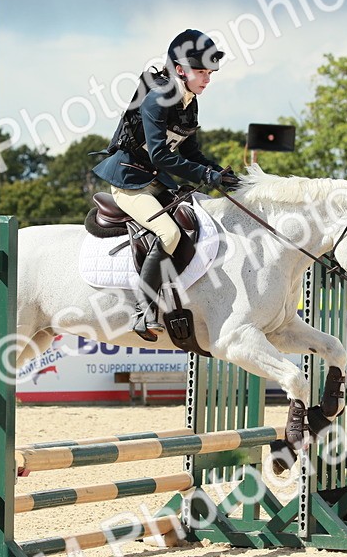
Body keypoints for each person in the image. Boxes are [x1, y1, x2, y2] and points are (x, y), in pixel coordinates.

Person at [92, 28, 240, 340]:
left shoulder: (189, 101)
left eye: (209, 73)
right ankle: (143, 311)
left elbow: (190, 152)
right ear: (179, 69)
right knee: (169, 233)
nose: (206, 79)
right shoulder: (157, 100)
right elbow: (160, 155)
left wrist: (219, 173)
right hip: (130, 182)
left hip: (155, 180)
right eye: (201, 72)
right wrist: (204, 176)